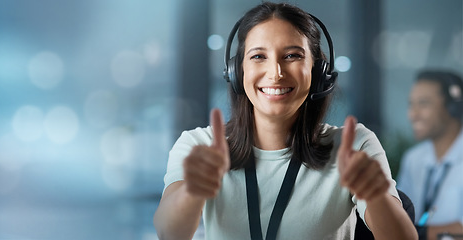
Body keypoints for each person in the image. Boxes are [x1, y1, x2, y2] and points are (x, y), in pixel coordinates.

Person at [153, 2, 417, 240]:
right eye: (258, 56)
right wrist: (192, 191)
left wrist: (376, 196)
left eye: (292, 55)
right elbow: (169, 232)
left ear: (317, 72)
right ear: (237, 71)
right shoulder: (199, 145)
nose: (276, 73)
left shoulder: (355, 146)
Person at [397, 70, 463, 240]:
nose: (413, 114)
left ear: (453, 108)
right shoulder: (413, 158)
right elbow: (400, 215)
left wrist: (418, 234)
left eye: (424, 104)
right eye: (411, 105)